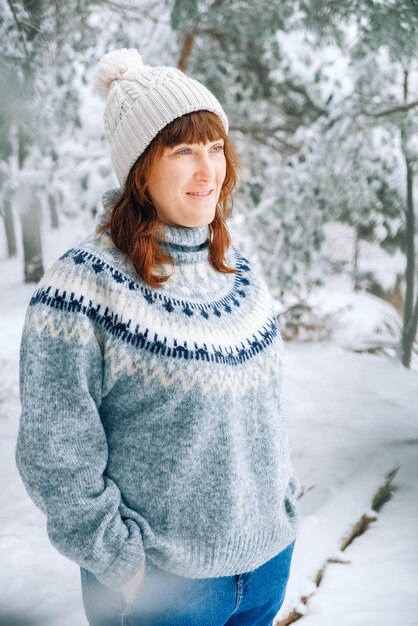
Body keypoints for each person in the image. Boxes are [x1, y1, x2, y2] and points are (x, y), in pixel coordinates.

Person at [15, 48, 300, 626]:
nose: (208, 171)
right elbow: (54, 451)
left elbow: (264, 413)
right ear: (140, 167)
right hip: (163, 591)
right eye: (184, 151)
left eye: (216, 148)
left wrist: (283, 504)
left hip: (266, 566)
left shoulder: (239, 273)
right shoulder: (81, 289)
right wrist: (122, 564)